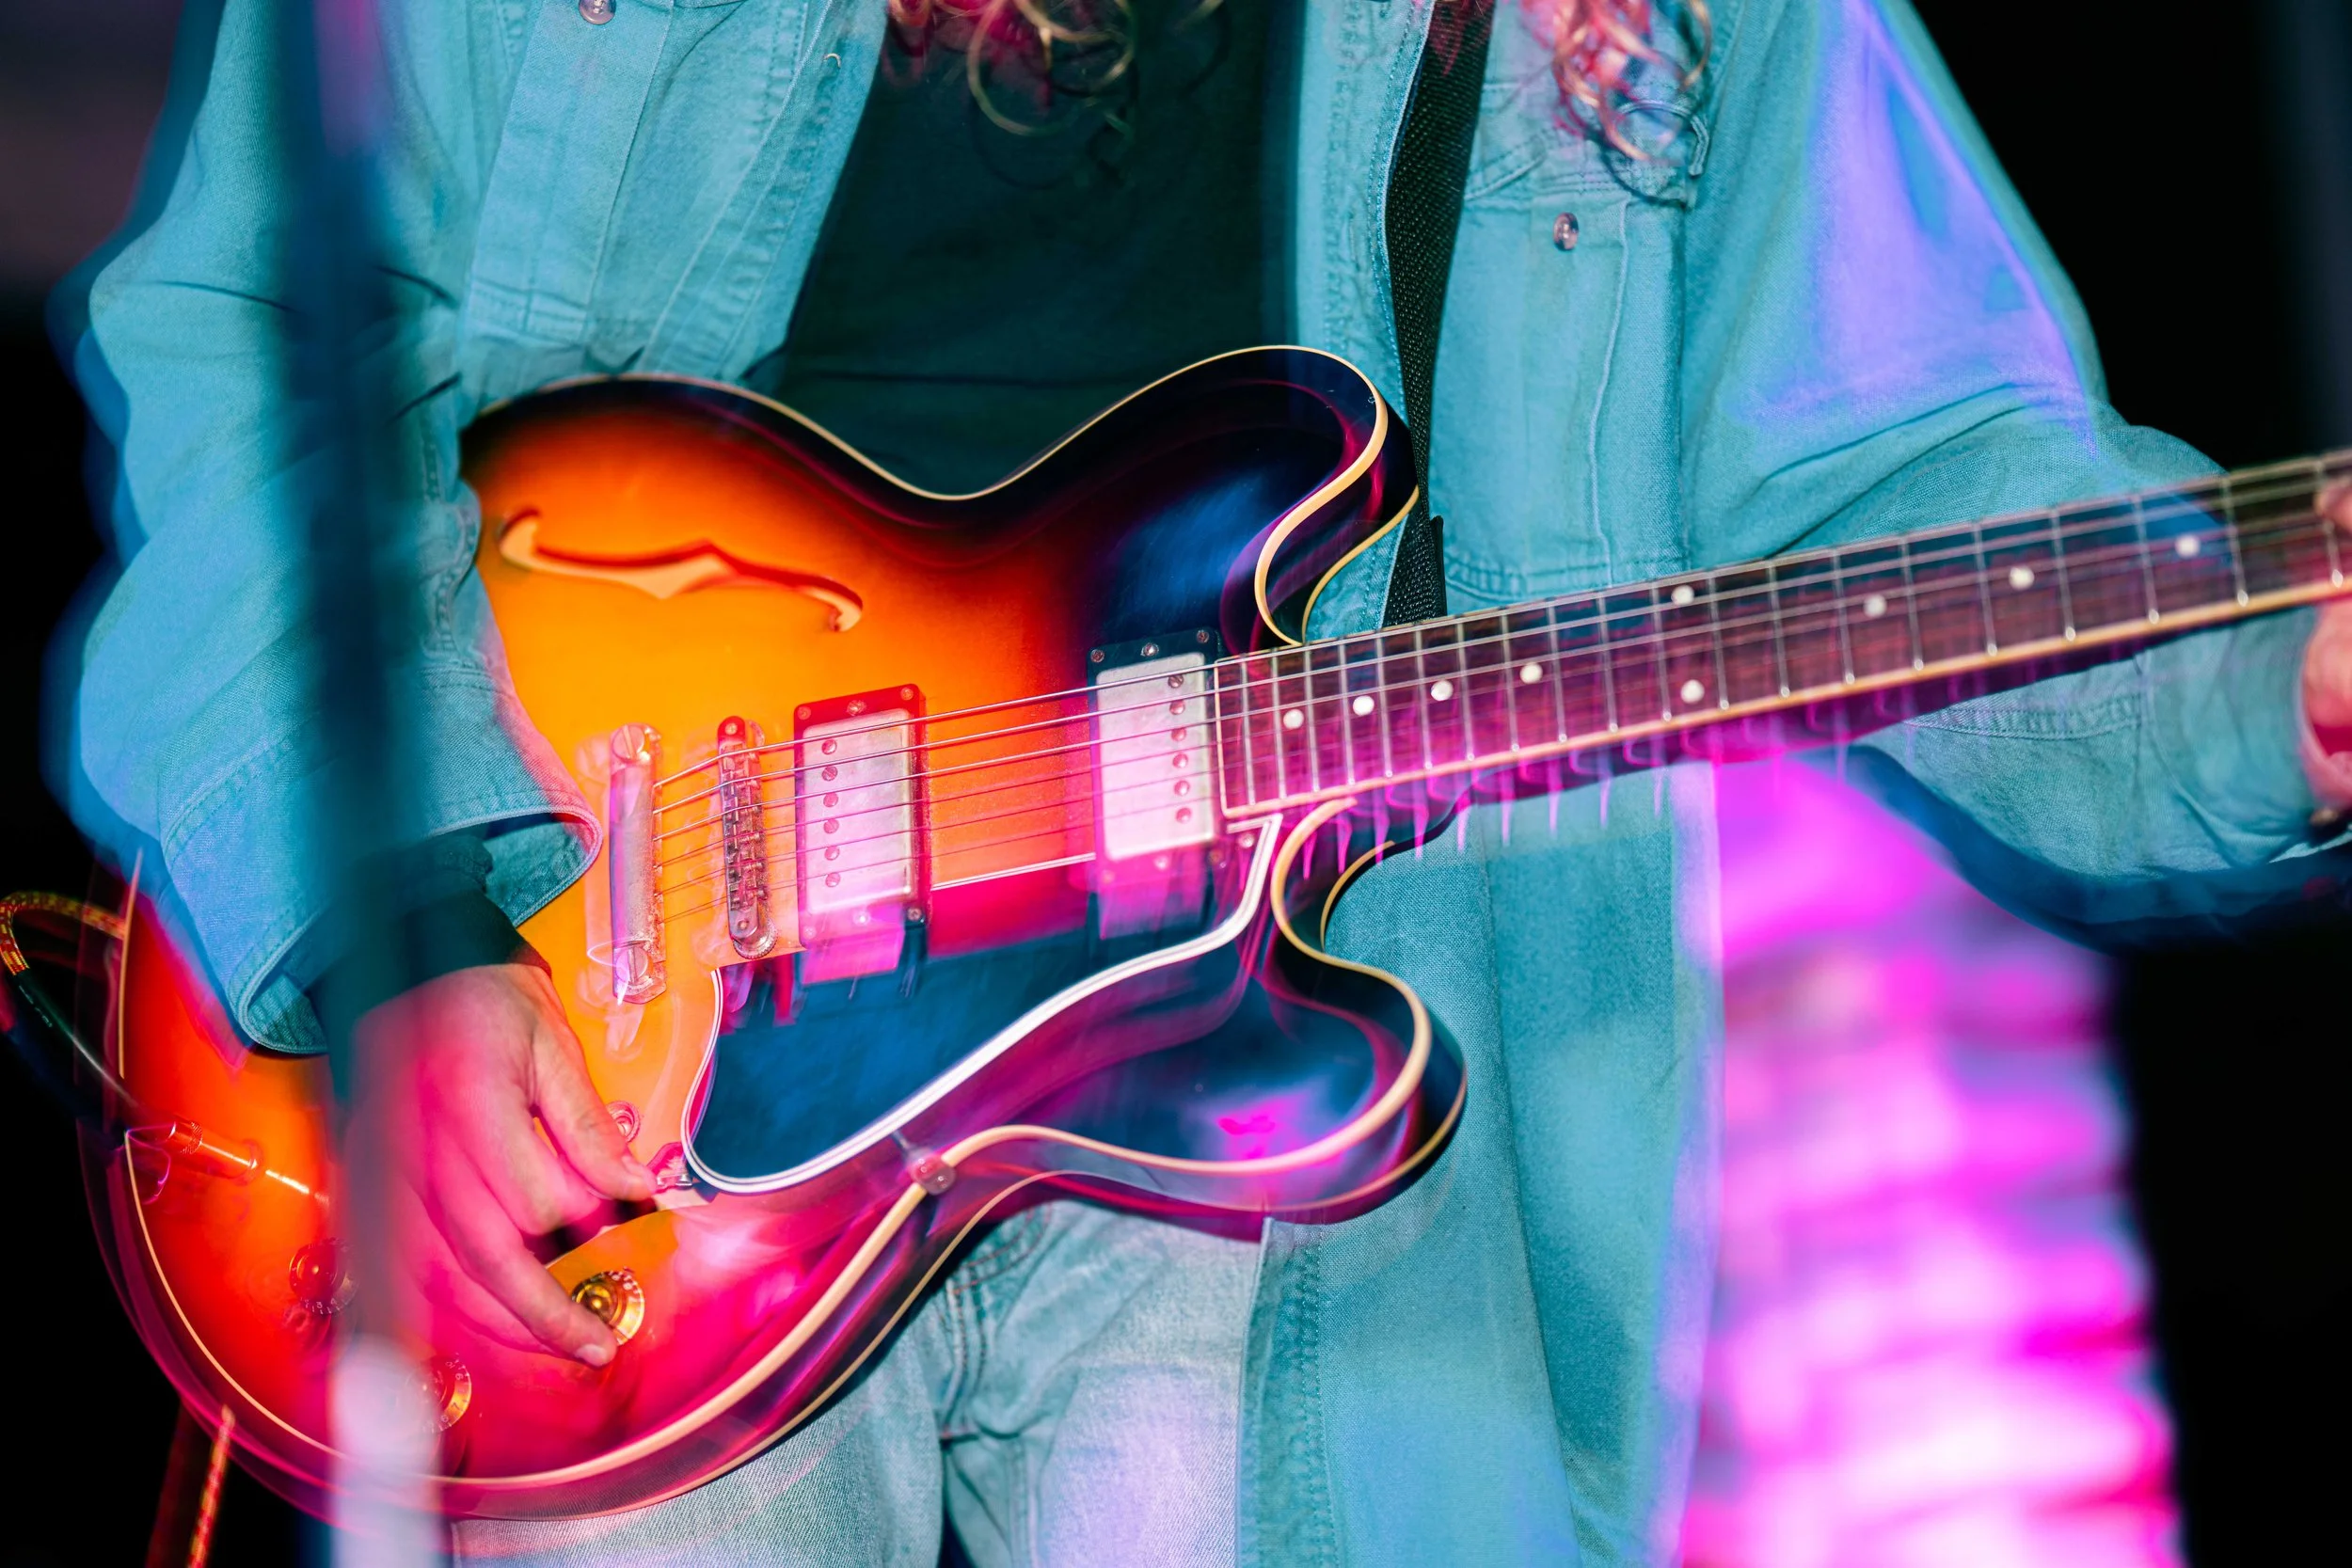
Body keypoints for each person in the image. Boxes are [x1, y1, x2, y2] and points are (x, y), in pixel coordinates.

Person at [56, 0, 2352, 1562]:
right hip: (618, 1036)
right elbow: (262, 330)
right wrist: (398, 915)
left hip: (1300, 1133)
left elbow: (1911, 479)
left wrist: (2276, 677)